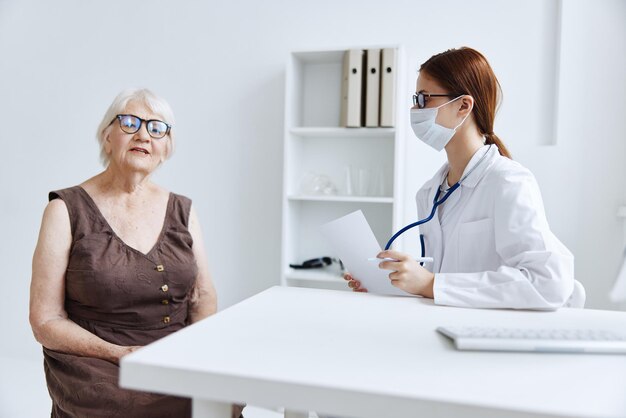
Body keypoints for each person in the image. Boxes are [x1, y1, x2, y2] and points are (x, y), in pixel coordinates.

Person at [29, 88, 243, 417]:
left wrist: (201, 355)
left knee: (224, 393)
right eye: (130, 122)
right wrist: (118, 352)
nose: (143, 134)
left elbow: (203, 295)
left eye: (157, 128)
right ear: (107, 136)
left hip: (173, 352)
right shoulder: (64, 209)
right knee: (127, 404)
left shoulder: (182, 209)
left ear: (166, 148)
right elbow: (46, 320)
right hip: (96, 359)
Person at [346, 47, 582, 310]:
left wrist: (430, 283)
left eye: (424, 99)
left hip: (490, 337)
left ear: (463, 105)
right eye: (415, 99)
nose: (415, 109)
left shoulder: (509, 182)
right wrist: (390, 283)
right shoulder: (429, 193)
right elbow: (447, 288)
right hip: (446, 327)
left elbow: (548, 283)